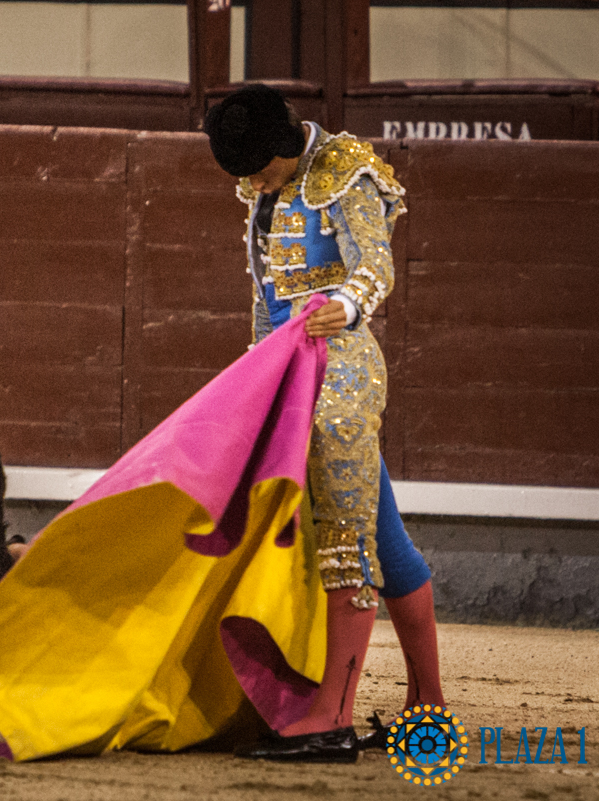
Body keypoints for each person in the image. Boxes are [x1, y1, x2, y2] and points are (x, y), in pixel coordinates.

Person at [203, 83, 445, 762]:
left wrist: (346, 298)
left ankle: (329, 720)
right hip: (285, 371)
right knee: (384, 537)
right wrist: (254, 378)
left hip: (340, 368)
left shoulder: (343, 169)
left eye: (261, 169)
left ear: (284, 147)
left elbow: (376, 263)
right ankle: (430, 703)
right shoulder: (264, 188)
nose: (253, 183)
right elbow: (265, 300)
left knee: (345, 540)